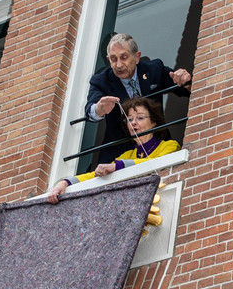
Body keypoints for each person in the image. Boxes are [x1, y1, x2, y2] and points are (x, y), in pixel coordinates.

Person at [84, 33, 190, 165]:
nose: (118, 65)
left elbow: (185, 89)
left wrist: (186, 80)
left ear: (137, 57)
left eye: (124, 57)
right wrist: (99, 109)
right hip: (118, 154)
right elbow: (90, 112)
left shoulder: (154, 69)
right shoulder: (101, 81)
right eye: (113, 59)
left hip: (157, 146)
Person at [49, 97, 179, 203]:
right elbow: (94, 175)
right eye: (129, 119)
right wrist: (65, 182)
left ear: (154, 122)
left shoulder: (170, 145)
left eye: (140, 118)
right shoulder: (128, 155)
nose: (133, 123)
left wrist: (118, 166)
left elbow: (154, 163)